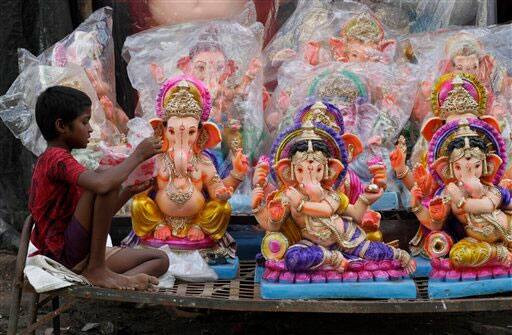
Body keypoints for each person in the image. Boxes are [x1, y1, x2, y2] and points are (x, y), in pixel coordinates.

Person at [29, 86, 169, 290]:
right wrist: (138, 155)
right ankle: (97, 270)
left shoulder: (63, 159)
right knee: (104, 177)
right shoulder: (55, 159)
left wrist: (128, 192)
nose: (90, 129)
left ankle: (112, 282)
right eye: (84, 122)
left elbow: (98, 218)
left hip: (79, 252)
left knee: (160, 259)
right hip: (63, 255)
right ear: (61, 126)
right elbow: (103, 184)